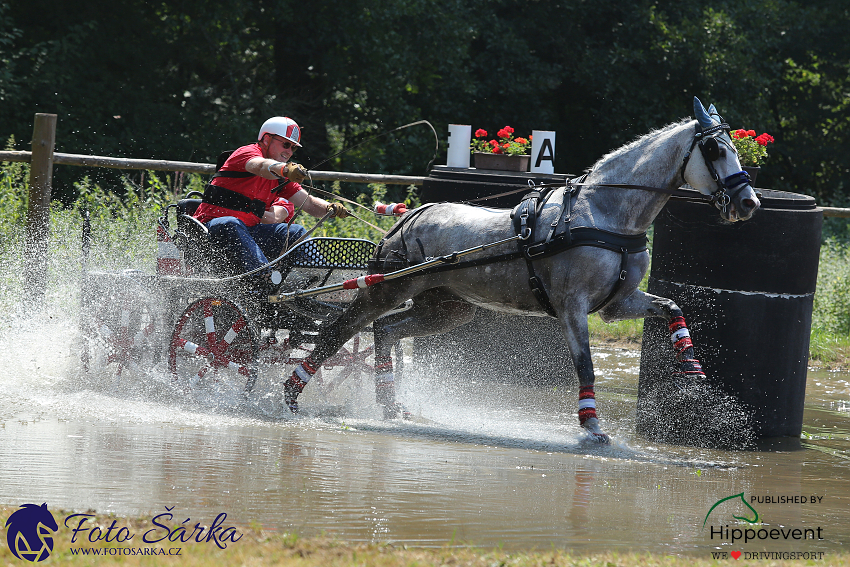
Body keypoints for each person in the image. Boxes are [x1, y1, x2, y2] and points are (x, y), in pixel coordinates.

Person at [192, 116, 348, 281]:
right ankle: (266, 279)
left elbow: (308, 202)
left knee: (296, 232)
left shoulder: (280, 174)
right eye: (285, 144)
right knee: (231, 223)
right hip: (209, 231)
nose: (289, 152)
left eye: (293, 148)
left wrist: (329, 208)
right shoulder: (248, 153)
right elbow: (260, 166)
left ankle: (321, 283)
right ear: (266, 139)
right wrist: (285, 170)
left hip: (247, 233)